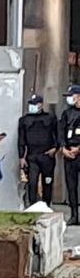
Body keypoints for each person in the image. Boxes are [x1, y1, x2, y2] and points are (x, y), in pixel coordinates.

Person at [18, 94, 58, 206]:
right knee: (32, 182)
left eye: (34, 104)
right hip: (32, 156)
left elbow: (57, 134)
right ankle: (32, 205)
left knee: (48, 182)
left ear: (40, 105)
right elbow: (21, 139)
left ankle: (47, 204)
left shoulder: (50, 118)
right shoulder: (24, 120)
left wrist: (55, 148)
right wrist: (21, 157)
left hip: (47, 155)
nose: (32, 106)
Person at [61, 85, 80, 225]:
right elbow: (60, 131)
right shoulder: (67, 113)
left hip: (79, 151)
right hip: (69, 154)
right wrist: (63, 148)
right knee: (71, 185)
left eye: (71, 95)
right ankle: (74, 214)